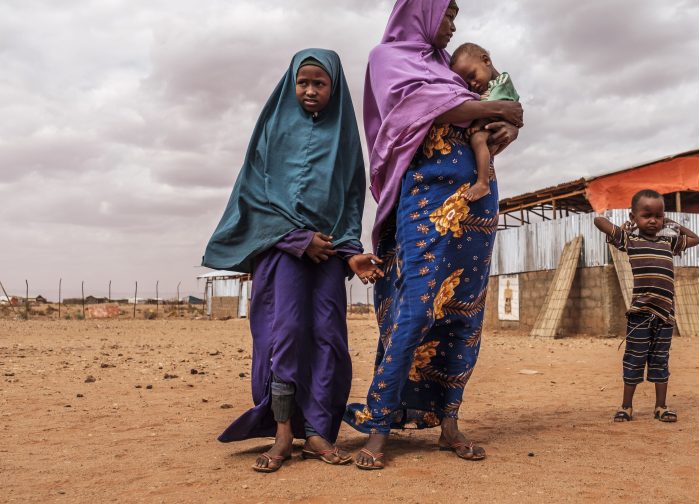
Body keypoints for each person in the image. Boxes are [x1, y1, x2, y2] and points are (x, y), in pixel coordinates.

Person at [343, 0, 523, 470]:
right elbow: (413, 110)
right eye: (448, 13)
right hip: (426, 204)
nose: (453, 25)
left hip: (477, 207)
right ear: (423, 12)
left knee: (464, 312)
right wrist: (496, 107)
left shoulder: (448, 64)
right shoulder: (388, 58)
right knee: (416, 308)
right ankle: (380, 425)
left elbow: (488, 117)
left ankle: (449, 422)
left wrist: (504, 121)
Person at [202, 49, 383, 473]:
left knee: (328, 340)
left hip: (329, 257)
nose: (310, 90)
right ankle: (283, 433)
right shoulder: (272, 129)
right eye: (303, 82)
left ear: (334, 88)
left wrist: (350, 250)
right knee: (284, 338)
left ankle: (318, 431)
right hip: (282, 254)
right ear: (291, 85)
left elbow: (353, 197)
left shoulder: (344, 136)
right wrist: (297, 238)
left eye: (320, 83)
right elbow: (253, 193)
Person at [592, 189, 699, 424]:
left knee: (660, 360)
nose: (653, 220)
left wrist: (674, 225)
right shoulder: (630, 240)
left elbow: (695, 239)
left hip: (665, 315)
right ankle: (626, 407)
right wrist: (627, 227)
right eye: (646, 215)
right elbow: (598, 221)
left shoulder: (668, 241)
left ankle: (661, 407)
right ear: (634, 217)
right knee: (634, 359)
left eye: (659, 215)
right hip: (640, 314)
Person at [449, 43, 520, 203]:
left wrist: (478, 123)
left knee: (478, 139)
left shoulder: (502, 82)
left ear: (486, 61)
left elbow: (495, 106)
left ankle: (482, 183)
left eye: (472, 75)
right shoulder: (489, 86)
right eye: (467, 83)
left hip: (495, 124)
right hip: (493, 123)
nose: (472, 84)